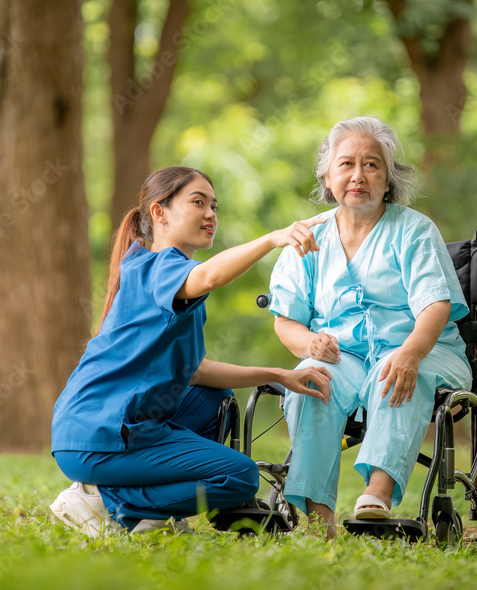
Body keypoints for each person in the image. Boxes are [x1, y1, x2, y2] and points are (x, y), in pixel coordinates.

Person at [50, 166, 333, 536]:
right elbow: (212, 275)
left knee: (213, 399)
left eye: (214, 206)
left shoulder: (166, 276)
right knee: (239, 476)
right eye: (198, 202)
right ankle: (106, 501)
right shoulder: (157, 266)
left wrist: (278, 374)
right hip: (97, 435)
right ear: (159, 212)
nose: (211, 214)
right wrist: (274, 238)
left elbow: (197, 372)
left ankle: (141, 510)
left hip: (107, 430)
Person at [268, 116, 471, 538]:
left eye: (372, 165)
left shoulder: (414, 230)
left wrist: (411, 352)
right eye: (346, 164)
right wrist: (310, 342)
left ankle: (376, 496)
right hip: (345, 358)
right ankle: (318, 518)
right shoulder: (308, 238)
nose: (358, 176)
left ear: (389, 179)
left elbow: (435, 305)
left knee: (392, 368)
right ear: (328, 176)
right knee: (311, 379)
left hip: (426, 350)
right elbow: (285, 320)